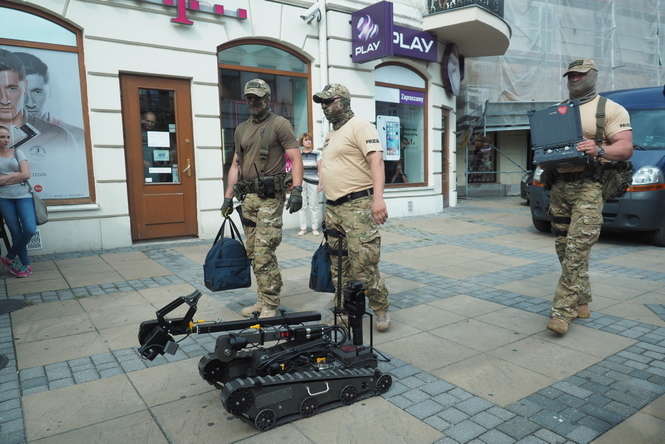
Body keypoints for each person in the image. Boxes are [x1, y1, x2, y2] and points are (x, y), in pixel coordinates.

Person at [545, 59, 633, 335]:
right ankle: (582, 299)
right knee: (563, 246)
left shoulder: (610, 109)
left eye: (580, 74)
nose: (574, 78)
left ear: (593, 76)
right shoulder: (559, 111)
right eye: (570, 74)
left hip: (589, 185)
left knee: (577, 248)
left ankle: (562, 312)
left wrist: (598, 149)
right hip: (560, 185)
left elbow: (625, 148)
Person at [221, 79, 304, 318]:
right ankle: (261, 300)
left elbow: (295, 158)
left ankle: (270, 304)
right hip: (248, 199)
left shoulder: (280, 124)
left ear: (268, 99)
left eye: (258, 97)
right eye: (250, 98)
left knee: (264, 252)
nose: (254, 102)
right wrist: (228, 197)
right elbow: (236, 164)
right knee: (252, 252)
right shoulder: (241, 129)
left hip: (270, 198)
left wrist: (297, 189)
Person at [314, 83, 391, 332]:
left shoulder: (360, 126)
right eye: (322, 103)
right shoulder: (331, 134)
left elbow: (376, 161)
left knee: (364, 263)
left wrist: (378, 199)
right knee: (338, 265)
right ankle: (343, 310)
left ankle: (380, 308)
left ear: (344, 101)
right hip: (334, 208)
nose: (325, 107)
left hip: (357, 205)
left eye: (329, 101)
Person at [0, 125, 36, 277]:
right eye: (2, 137)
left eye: (7, 137)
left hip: (23, 195)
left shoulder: (17, 152)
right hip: (4, 198)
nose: (6, 140)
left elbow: (26, 174)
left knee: (29, 229)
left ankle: (9, 257)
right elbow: (20, 175)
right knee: (15, 232)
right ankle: (25, 265)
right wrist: (16, 175)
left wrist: (5, 178)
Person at [297, 133, 322, 236]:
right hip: (301, 182)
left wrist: (321, 183)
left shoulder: (317, 153)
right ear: (302, 142)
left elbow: (321, 169)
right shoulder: (299, 154)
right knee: (302, 206)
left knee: (314, 205)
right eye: (306, 140)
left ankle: (314, 228)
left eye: (310, 140)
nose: (308, 142)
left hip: (314, 182)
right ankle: (303, 228)